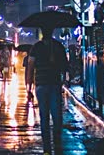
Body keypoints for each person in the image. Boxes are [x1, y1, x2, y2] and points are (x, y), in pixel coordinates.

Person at [27, 27, 68, 155]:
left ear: (42, 33)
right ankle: (56, 143)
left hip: (41, 85)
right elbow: (65, 66)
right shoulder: (58, 46)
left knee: (44, 117)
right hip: (54, 85)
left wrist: (28, 87)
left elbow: (30, 67)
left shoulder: (36, 47)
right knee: (56, 116)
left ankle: (47, 149)